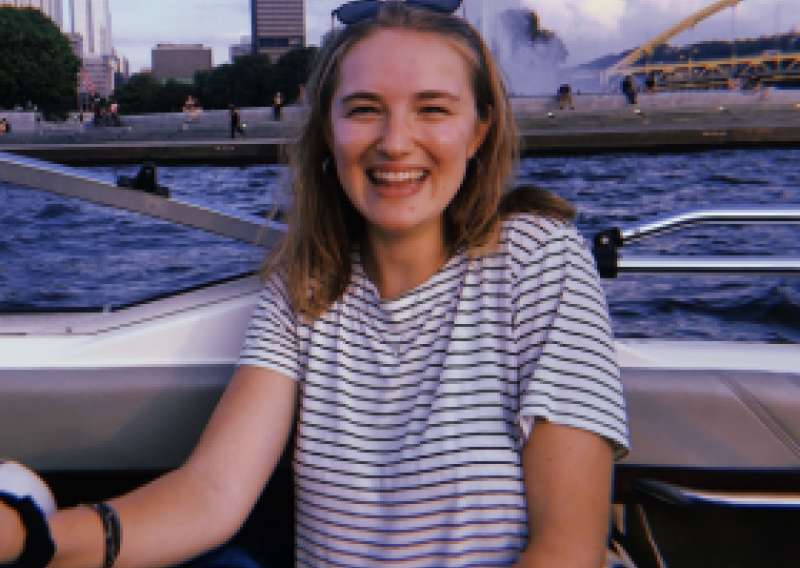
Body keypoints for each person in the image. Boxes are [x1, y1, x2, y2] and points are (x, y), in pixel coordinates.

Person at [0, 3, 628, 568]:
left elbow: (566, 549)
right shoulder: (306, 287)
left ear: (479, 130)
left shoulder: (540, 262)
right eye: (364, 110)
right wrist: (34, 538)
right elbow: (210, 494)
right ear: (329, 131)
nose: (395, 142)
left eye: (432, 109)